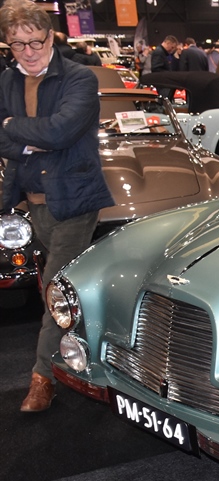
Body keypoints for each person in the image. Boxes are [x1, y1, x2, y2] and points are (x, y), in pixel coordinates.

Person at [0, 0, 113, 412]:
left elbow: (62, 131)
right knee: (69, 288)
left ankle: (41, 379)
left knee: (53, 288)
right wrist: (29, 139)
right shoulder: (7, 81)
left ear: (50, 37)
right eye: (17, 44)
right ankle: (88, 353)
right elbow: (5, 138)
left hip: (76, 200)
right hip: (32, 201)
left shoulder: (79, 77)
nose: (28, 52)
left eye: (35, 41)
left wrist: (15, 128)